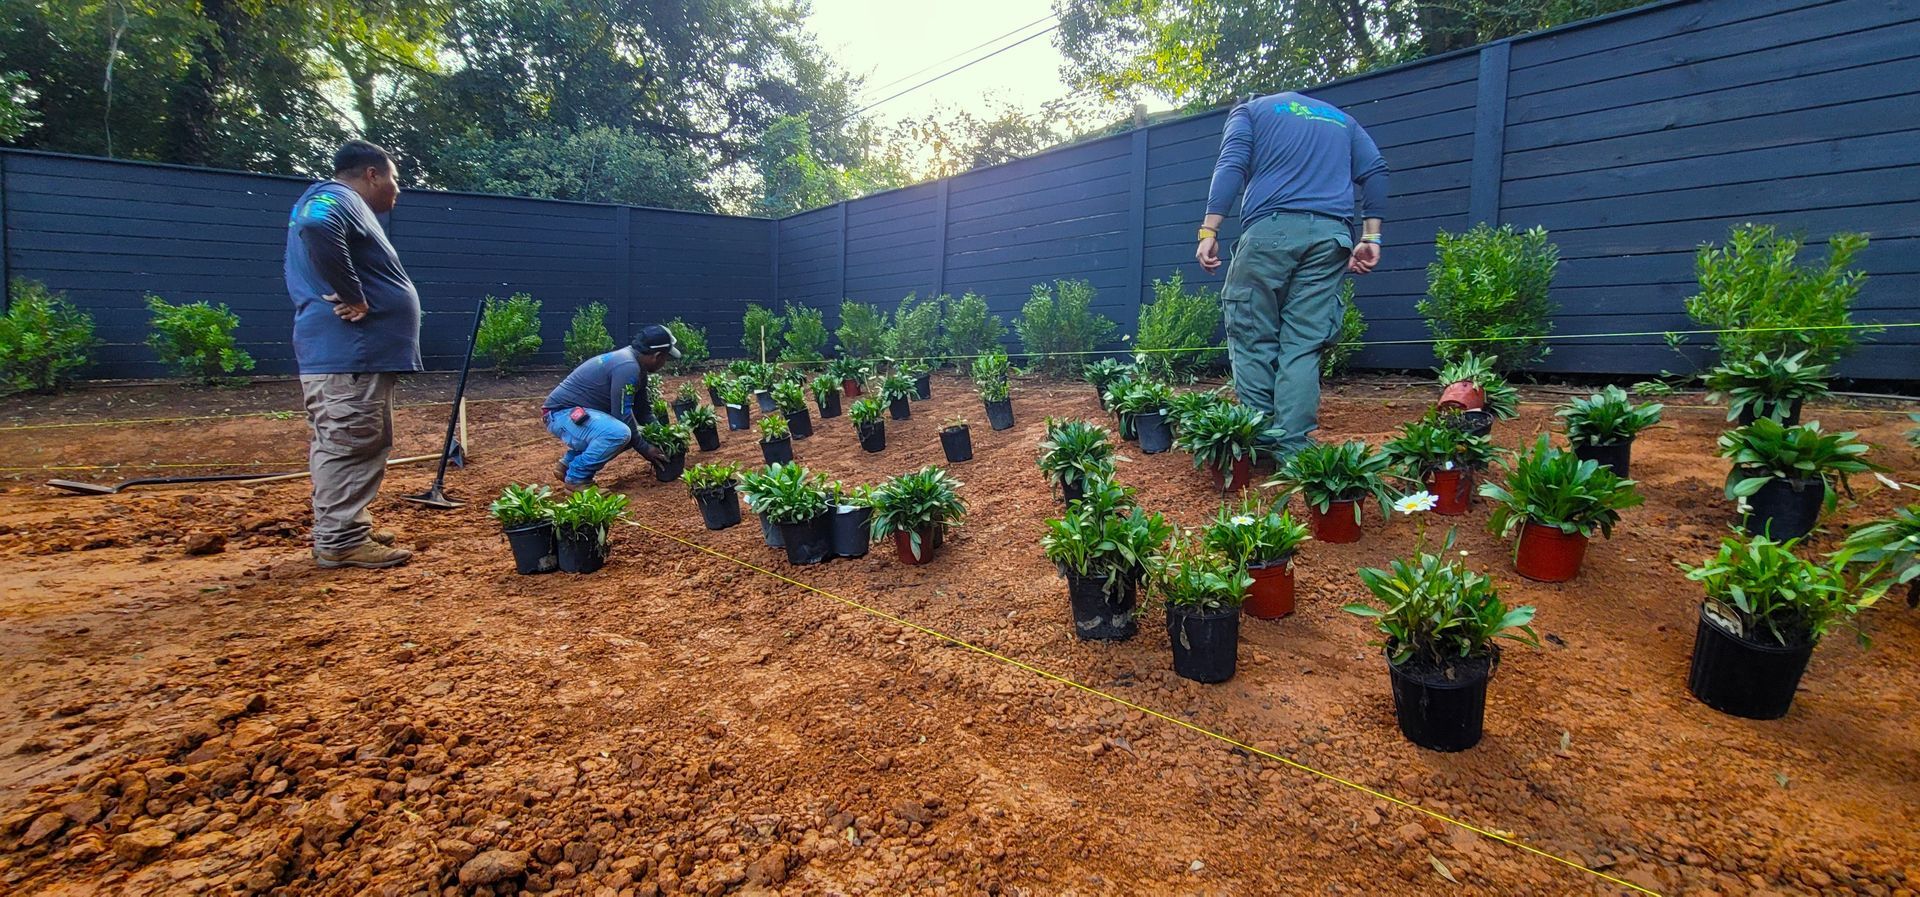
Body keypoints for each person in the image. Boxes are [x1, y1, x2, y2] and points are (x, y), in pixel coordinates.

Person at [1197, 91, 1389, 461]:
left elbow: (1231, 164)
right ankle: (1294, 452)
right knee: (1303, 344)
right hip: (1331, 238)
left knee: (1251, 335)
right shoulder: (1342, 120)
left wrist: (1209, 231)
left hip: (1270, 232)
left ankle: (1261, 444)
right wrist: (1371, 237)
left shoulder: (1249, 112)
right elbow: (1376, 171)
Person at [285, 139, 421, 569]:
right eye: (395, 178)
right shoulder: (335, 198)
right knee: (348, 442)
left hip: (355, 358)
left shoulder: (342, 203)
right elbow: (317, 226)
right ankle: (341, 539)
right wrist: (354, 295)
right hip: (351, 354)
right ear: (372, 174)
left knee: (356, 440)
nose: (397, 189)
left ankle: (347, 526)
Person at [543, 325, 680, 486]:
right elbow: (622, 416)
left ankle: (567, 465)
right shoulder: (628, 366)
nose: (665, 362)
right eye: (666, 358)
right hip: (561, 414)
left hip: (578, 414)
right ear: (657, 356)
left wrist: (664, 436)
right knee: (620, 433)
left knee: (634, 433)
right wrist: (646, 449)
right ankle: (578, 478)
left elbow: (643, 411)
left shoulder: (636, 366)